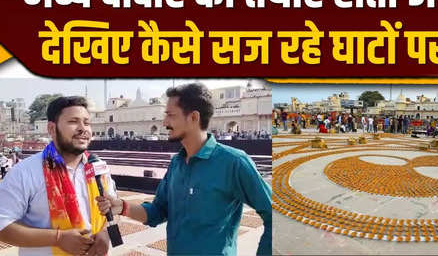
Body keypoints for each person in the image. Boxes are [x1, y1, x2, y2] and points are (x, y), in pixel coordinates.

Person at [96, 83, 272, 255]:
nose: (164, 122)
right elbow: (158, 211)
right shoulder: (177, 164)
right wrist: (122, 207)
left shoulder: (233, 162)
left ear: (194, 117)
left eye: (170, 115)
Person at [0, 96, 116, 256]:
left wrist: (105, 233)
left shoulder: (99, 167)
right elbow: (3, 226)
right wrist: (58, 238)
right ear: (52, 129)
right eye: (73, 121)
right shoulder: (25, 172)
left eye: (87, 122)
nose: (83, 129)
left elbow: (114, 210)